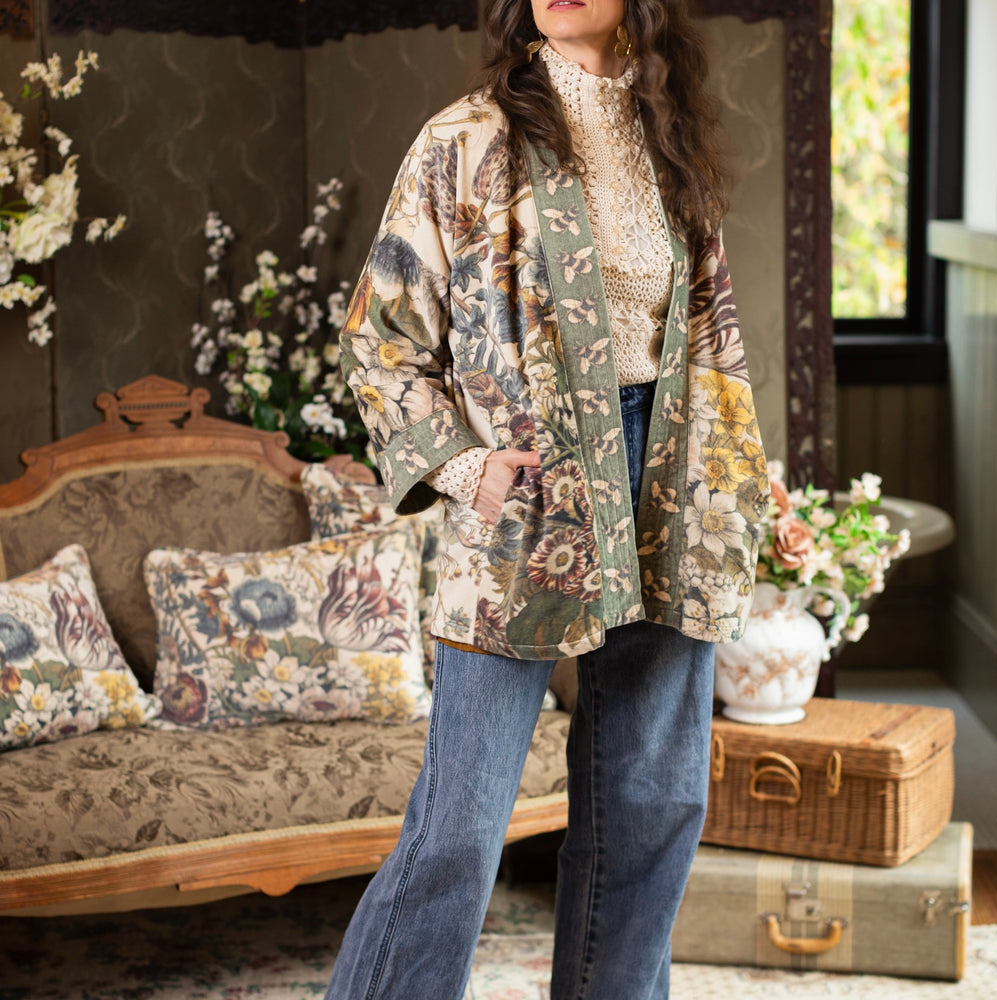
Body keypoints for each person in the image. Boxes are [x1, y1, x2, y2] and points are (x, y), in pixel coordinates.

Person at [325, 1, 769, 997]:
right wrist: (458, 462)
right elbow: (380, 334)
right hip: (522, 491)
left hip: (668, 477)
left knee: (652, 802)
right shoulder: (465, 139)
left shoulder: (668, 130)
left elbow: (703, 331)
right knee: (458, 830)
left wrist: (731, 485)